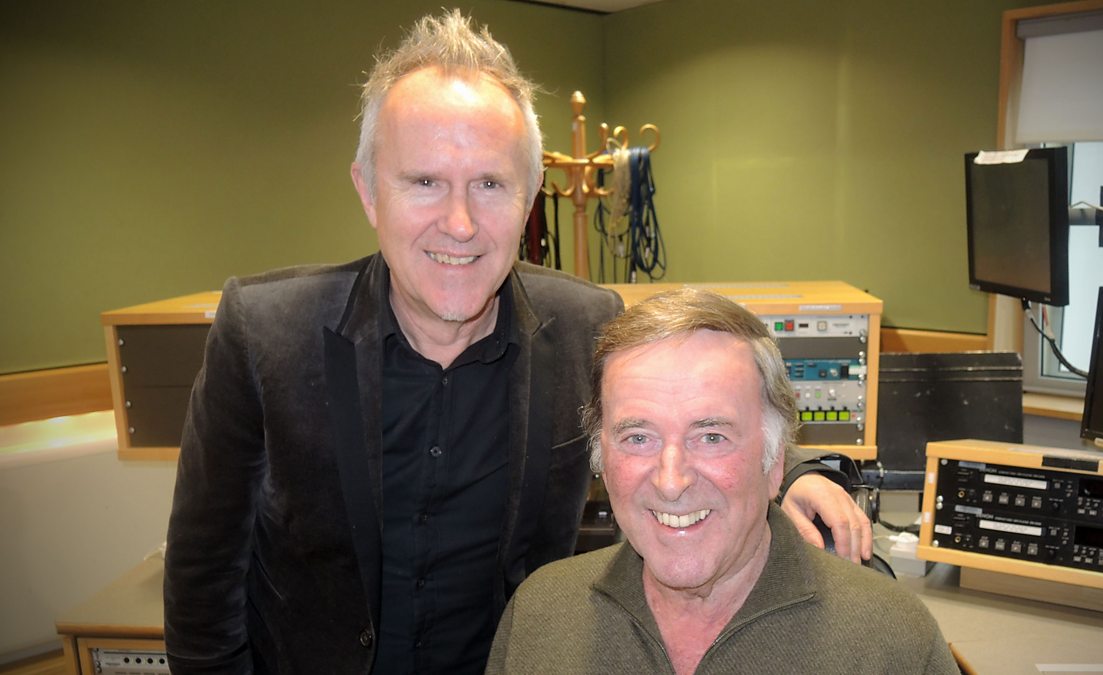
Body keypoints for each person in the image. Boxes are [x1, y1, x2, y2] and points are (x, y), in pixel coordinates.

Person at [163, 10, 868, 675]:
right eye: (424, 182)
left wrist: (798, 474)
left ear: (529, 196)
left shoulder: (584, 324)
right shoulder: (263, 333)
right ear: (369, 191)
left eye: (490, 184)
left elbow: (692, 409)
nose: (460, 223)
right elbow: (202, 585)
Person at [486, 288, 959, 675]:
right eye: (638, 437)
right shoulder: (540, 617)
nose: (671, 481)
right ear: (602, 459)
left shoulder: (894, 643)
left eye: (711, 436)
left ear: (776, 462)